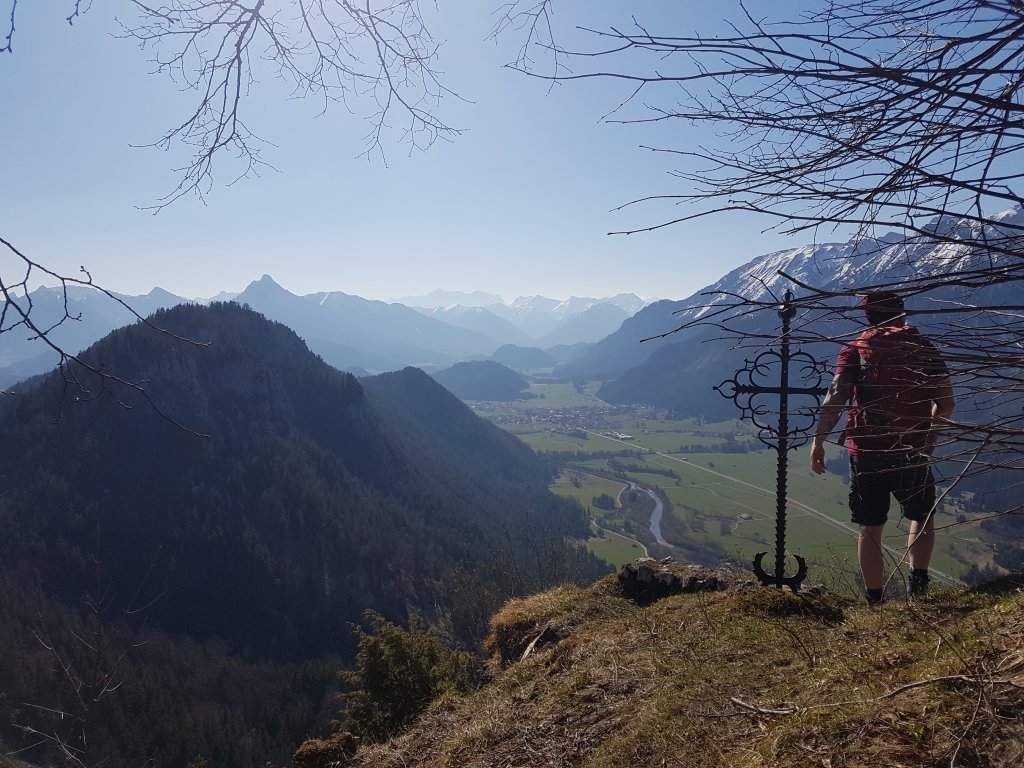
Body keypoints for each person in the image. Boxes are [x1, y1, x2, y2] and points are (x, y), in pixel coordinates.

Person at [810, 292, 954, 603]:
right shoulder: (923, 348)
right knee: (922, 516)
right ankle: (919, 589)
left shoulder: (855, 350)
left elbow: (837, 396)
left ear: (868, 317)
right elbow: (946, 403)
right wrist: (929, 438)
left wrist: (818, 441)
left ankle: (875, 601)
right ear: (902, 314)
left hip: (866, 451)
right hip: (911, 450)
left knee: (870, 526)